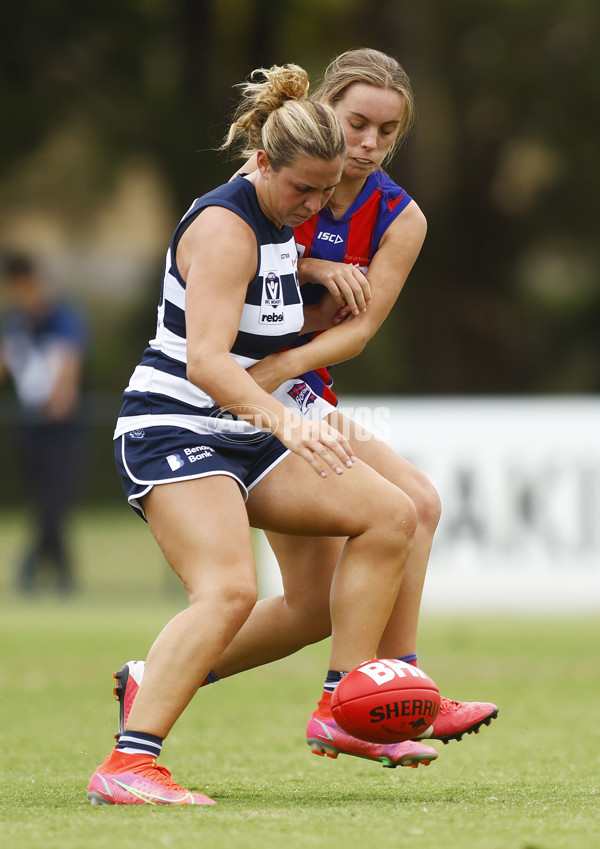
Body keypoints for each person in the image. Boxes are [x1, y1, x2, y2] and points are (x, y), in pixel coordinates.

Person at [111, 48, 497, 771]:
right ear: (318, 116)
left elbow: (349, 325)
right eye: (357, 124)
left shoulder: (381, 211)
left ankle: (372, 690)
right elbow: (211, 345)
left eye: (387, 131)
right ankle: (368, 689)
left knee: (386, 531)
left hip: (279, 395)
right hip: (209, 411)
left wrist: (280, 377)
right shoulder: (253, 198)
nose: (369, 144)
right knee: (240, 588)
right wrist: (310, 275)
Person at [0, 254, 88, 594]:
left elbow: (69, 363)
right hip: (30, 426)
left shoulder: (63, 318)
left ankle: (32, 566)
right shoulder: (16, 324)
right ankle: (62, 575)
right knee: (44, 504)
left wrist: (60, 399)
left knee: (55, 501)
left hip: (60, 428)